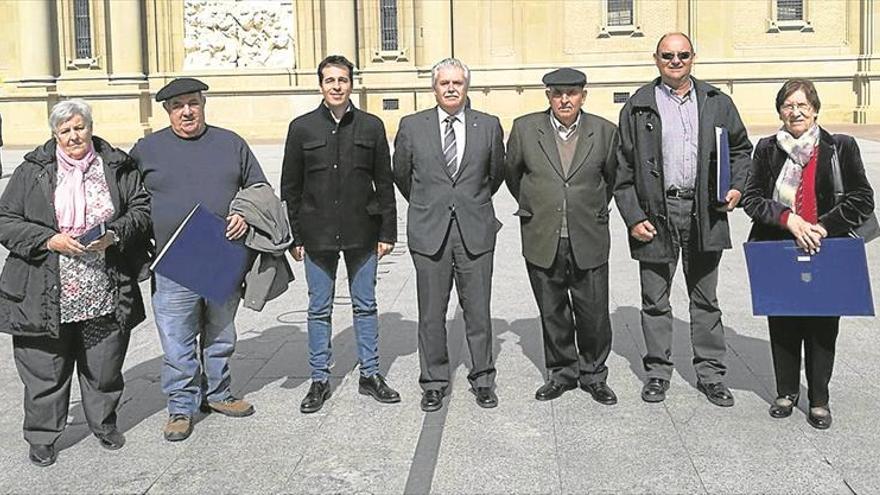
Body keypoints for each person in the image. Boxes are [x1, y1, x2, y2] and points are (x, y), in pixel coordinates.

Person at [0, 99, 150, 466]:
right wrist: (49, 240)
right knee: (44, 369)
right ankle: (43, 436)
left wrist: (114, 234)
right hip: (43, 287)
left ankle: (103, 424)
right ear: (54, 134)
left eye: (79, 127)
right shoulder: (33, 170)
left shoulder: (116, 166)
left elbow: (141, 210)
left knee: (104, 366)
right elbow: (5, 219)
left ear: (91, 127)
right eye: (64, 130)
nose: (73, 136)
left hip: (104, 284)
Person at [615, 33, 753, 406]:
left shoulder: (717, 102)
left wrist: (737, 188)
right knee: (655, 299)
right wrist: (632, 216)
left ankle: (710, 375)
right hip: (656, 215)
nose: (675, 61)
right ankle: (658, 372)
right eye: (667, 55)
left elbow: (742, 150)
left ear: (693, 57)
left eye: (682, 55)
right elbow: (622, 168)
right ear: (656, 58)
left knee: (705, 298)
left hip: (703, 211)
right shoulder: (638, 105)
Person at [131, 78, 267, 441]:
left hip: (222, 253)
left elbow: (258, 188)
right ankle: (181, 407)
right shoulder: (147, 149)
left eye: (193, 103)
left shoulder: (230, 142)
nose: (187, 111)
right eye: (178, 106)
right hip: (174, 259)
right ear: (167, 111)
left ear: (203, 104)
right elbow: (129, 201)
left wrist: (245, 214)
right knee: (177, 340)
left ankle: (219, 393)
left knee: (220, 334)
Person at [741, 79, 874, 429]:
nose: (794, 111)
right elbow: (753, 198)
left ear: (814, 108)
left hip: (827, 246)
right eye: (787, 105)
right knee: (782, 320)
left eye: (801, 105)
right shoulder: (767, 148)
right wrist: (789, 220)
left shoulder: (840, 146)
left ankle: (819, 399)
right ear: (780, 111)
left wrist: (822, 226)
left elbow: (861, 198)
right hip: (779, 244)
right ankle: (786, 391)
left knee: (822, 325)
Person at [280, 55, 400, 413]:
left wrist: (388, 232)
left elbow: (384, 182)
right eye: (329, 80)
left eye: (342, 80)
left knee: (365, 305)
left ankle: (371, 374)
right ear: (320, 86)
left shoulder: (371, 126)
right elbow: (291, 187)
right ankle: (319, 379)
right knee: (319, 308)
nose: (336, 86)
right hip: (316, 235)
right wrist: (296, 237)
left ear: (352, 84)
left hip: (362, 231)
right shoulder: (301, 128)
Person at [393, 58, 505, 412]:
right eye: (445, 83)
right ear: (434, 87)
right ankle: (434, 382)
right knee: (431, 312)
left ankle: (483, 378)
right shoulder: (412, 126)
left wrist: (465, 202)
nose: (452, 88)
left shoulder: (488, 125)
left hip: (475, 230)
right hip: (430, 232)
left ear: (467, 85)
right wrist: (432, 204)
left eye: (458, 82)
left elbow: (495, 174)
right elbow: (402, 175)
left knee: (478, 311)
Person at [506, 68, 619, 404]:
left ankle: (594, 374)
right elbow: (513, 174)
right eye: (557, 93)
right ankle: (562, 372)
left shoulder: (604, 131)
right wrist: (541, 205)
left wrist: (585, 207)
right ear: (548, 96)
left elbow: (611, 179)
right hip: (542, 233)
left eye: (572, 93)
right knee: (552, 309)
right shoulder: (526, 129)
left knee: (593, 311)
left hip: (588, 233)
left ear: (584, 95)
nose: (564, 99)